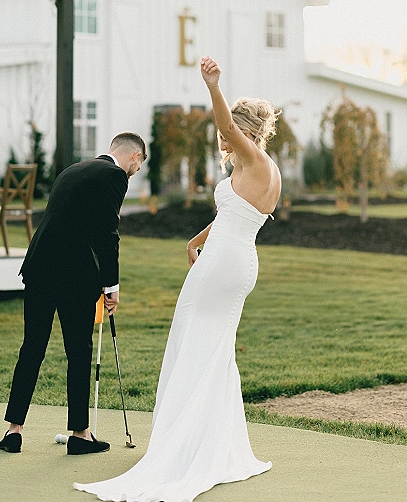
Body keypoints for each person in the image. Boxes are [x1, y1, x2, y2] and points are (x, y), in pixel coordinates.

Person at [74, 56, 281, 502]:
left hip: (224, 263)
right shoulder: (255, 171)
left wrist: (213, 87)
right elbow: (236, 212)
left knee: (191, 343)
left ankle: (182, 447)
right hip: (235, 258)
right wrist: (195, 238)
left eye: (229, 134)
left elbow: (226, 127)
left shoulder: (252, 157)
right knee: (213, 350)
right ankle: (212, 443)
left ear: (243, 131)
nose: (223, 142)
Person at [0, 132, 147, 455]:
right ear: (135, 157)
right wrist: (112, 285)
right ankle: (80, 435)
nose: (134, 174)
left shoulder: (74, 169)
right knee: (78, 352)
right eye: (137, 167)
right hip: (74, 276)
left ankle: (13, 431)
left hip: (39, 267)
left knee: (32, 347)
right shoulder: (114, 176)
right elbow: (107, 233)